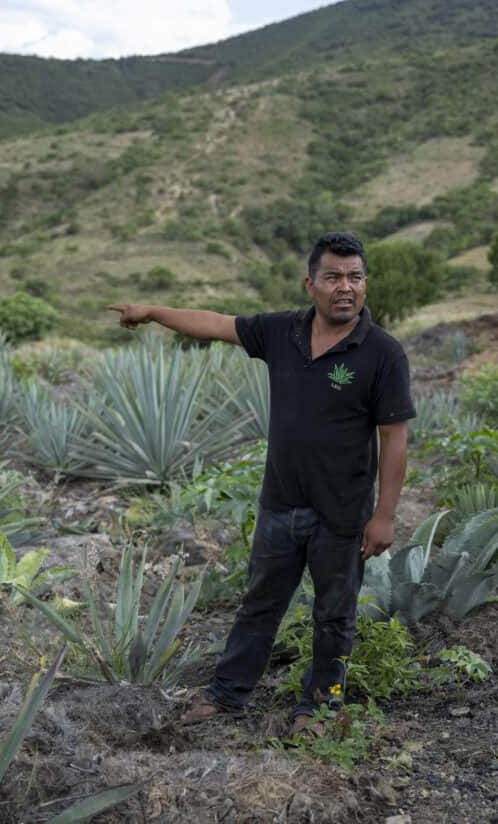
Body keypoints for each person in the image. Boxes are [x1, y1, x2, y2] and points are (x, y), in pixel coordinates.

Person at [109, 231, 415, 733]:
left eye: (355, 277)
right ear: (310, 284)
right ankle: (228, 696)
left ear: (366, 284)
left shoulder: (382, 353)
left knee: (334, 616)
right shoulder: (282, 332)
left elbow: (394, 438)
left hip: (342, 514)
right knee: (259, 605)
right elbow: (214, 324)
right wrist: (152, 311)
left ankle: (319, 707)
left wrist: (384, 516)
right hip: (281, 505)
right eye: (333, 277)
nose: (346, 287)